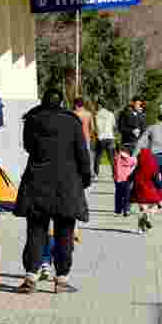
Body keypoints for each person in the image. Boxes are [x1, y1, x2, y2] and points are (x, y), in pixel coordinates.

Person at [14, 89, 91, 294]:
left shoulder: (31, 119)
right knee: (64, 235)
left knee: (36, 232)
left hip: (37, 183)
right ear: (62, 103)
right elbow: (82, 152)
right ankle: (62, 281)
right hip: (67, 185)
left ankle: (31, 277)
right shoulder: (72, 121)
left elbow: (28, 147)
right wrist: (85, 178)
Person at [131, 148, 162, 234]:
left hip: (139, 192)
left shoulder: (138, 168)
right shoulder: (153, 166)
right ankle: (148, 213)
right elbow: (156, 180)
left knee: (142, 210)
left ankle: (140, 228)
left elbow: (131, 177)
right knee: (158, 203)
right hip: (150, 192)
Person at [93, 101, 116, 181]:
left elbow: (95, 128)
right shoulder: (111, 114)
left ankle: (96, 174)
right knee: (112, 158)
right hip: (110, 138)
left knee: (98, 157)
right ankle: (114, 174)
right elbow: (114, 126)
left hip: (100, 138)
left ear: (99, 105)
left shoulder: (96, 115)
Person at [113, 144, 137, 216]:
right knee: (127, 195)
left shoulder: (116, 157)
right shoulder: (128, 158)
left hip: (118, 179)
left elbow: (114, 167)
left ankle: (118, 210)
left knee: (118, 195)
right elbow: (134, 162)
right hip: (127, 179)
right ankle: (126, 210)